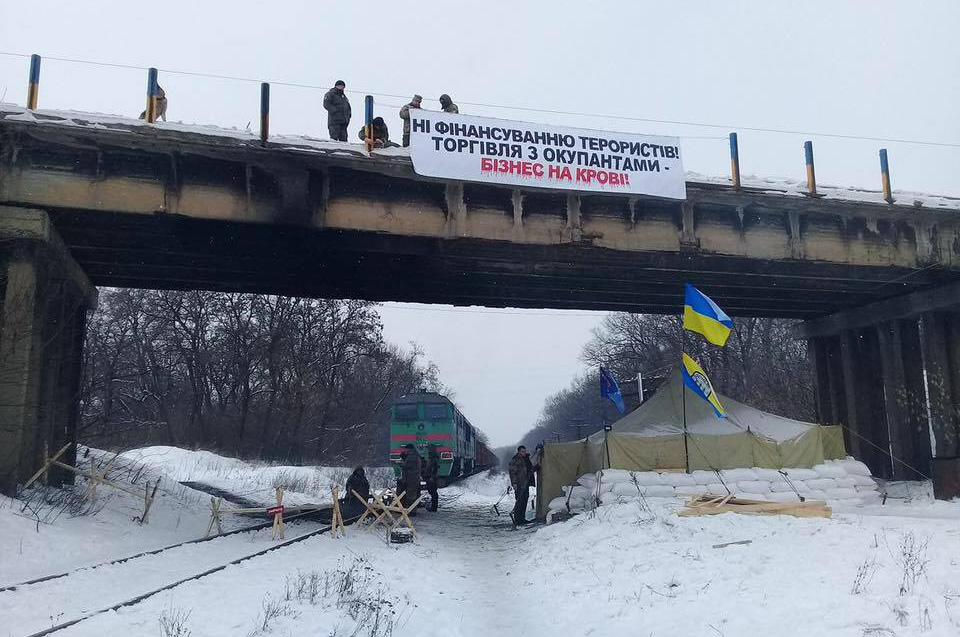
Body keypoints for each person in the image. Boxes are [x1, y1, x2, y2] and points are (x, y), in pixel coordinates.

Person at [508, 445, 532, 525]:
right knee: (519, 501)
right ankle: (517, 520)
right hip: (519, 484)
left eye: (525, 451)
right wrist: (514, 484)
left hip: (525, 483)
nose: (524, 453)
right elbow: (512, 473)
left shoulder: (525, 459)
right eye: (522, 451)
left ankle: (522, 518)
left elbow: (528, 470)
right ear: (518, 452)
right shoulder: (515, 460)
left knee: (525, 500)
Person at [401, 443, 422, 511]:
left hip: (411, 477)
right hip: (413, 477)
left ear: (409, 449)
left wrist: (403, 462)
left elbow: (408, 466)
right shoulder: (414, 455)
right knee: (412, 494)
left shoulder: (412, 456)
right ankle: (412, 509)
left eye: (406, 449)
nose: (405, 451)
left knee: (411, 495)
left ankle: (411, 510)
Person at [423, 445, 440, 512]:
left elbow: (434, 468)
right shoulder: (432, 457)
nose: (428, 450)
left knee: (433, 492)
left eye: (429, 449)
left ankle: (434, 508)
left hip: (431, 478)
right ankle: (433, 507)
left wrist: (432, 477)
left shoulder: (433, 458)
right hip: (431, 477)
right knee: (432, 492)